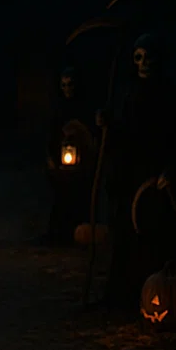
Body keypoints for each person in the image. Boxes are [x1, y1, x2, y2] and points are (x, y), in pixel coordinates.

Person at [102, 33, 176, 309]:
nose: (144, 63)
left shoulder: (171, 94)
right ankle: (126, 296)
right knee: (128, 234)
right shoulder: (127, 92)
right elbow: (124, 134)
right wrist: (107, 124)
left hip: (158, 175)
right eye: (138, 58)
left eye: (149, 57)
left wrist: (173, 167)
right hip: (130, 175)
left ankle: (159, 296)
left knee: (156, 236)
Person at [44, 66, 97, 243]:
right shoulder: (58, 110)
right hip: (62, 163)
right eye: (64, 85)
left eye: (70, 84)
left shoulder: (84, 109)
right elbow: (51, 136)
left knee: (79, 196)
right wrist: (52, 159)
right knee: (61, 196)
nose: (67, 88)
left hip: (82, 164)